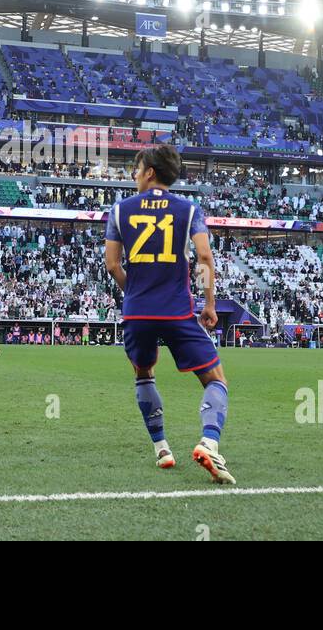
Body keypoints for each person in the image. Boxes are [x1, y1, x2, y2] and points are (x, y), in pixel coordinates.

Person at [104, 144, 234, 484]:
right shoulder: (189, 210)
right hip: (177, 310)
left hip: (137, 312)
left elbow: (112, 264)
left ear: (149, 172)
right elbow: (204, 258)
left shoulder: (120, 210)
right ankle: (208, 441)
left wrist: (133, 293)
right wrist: (208, 303)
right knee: (216, 378)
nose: (134, 175)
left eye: (137, 168)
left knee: (143, 373)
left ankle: (162, 447)